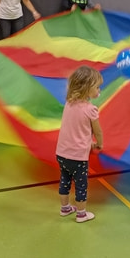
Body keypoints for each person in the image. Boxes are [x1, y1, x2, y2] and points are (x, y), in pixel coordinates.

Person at [55, 65, 104, 223]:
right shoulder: (90, 109)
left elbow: (76, 129)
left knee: (65, 180)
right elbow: (98, 132)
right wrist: (99, 144)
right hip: (78, 157)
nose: (99, 90)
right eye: (97, 87)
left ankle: (65, 208)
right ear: (86, 88)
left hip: (62, 154)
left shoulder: (69, 103)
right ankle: (81, 214)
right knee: (81, 185)